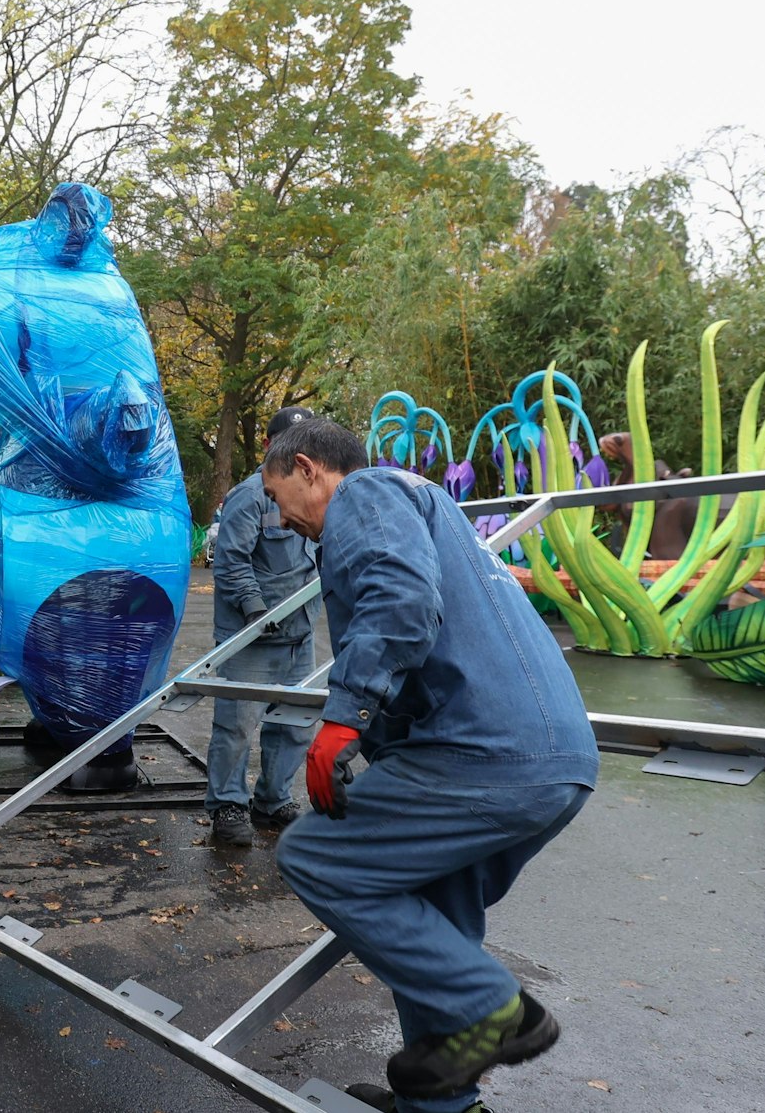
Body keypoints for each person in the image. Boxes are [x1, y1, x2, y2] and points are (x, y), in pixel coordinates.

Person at [262, 418, 598, 1113]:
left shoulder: (366, 493)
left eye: (275, 495)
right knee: (436, 912)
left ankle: (495, 1009)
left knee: (317, 857)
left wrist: (342, 719)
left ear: (307, 468)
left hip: (484, 751)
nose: (278, 518)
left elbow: (401, 602)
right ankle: (443, 1107)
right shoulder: (428, 507)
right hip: (551, 755)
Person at [206, 406, 320, 847]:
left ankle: (272, 800)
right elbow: (230, 561)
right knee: (236, 727)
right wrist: (257, 611)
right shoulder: (250, 497)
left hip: (300, 634)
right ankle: (227, 805)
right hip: (253, 637)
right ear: (269, 445)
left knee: (295, 725)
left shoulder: (314, 493)